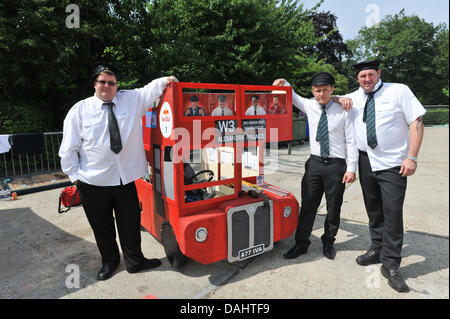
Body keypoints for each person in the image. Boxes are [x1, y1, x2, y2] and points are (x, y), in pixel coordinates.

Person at [59, 63, 178, 280]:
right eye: (102, 82)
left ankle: (135, 261)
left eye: (111, 83)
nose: (107, 86)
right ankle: (110, 262)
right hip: (93, 183)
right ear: (94, 84)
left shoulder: (130, 100)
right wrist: (76, 178)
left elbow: (150, 89)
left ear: (117, 85)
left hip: (125, 181)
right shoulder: (80, 110)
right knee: (102, 228)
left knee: (130, 224)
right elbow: (68, 149)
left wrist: (167, 79)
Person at [346, 59, 426, 293]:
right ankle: (377, 249)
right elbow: (322, 99)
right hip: (365, 161)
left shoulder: (399, 91)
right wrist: (288, 86)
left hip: (393, 164)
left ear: (379, 73)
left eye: (370, 74)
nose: (367, 79)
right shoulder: (354, 97)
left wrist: (412, 156)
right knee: (374, 209)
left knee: (392, 212)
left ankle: (390, 265)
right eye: (362, 76)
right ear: (358, 79)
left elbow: (416, 121)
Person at [273, 72, 358, 260]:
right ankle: (301, 243)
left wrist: (351, 168)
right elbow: (293, 96)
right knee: (308, 205)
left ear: (332, 89)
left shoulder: (343, 110)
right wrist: (285, 81)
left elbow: (351, 140)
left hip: (336, 165)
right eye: (317, 91)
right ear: (313, 91)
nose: (321, 94)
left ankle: (328, 240)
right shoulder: (309, 105)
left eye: (325, 90)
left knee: (333, 206)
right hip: (315, 164)